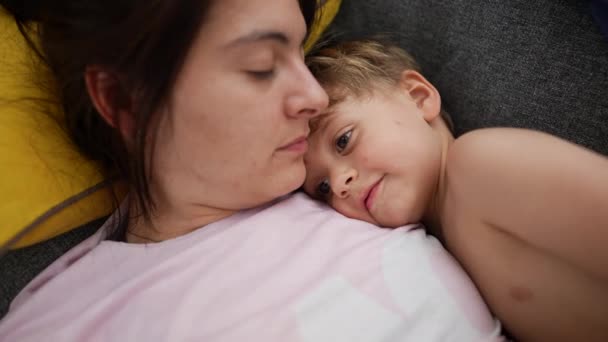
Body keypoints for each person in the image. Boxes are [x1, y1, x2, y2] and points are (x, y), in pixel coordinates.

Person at [0, 1, 505, 341]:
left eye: (300, 54)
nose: (313, 97)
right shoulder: (59, 324)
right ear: (124, 100)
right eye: (262, 65)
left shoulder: (382, 190)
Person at [302, 38, 608, 341]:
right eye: (323, 187)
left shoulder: (478, 164)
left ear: (418, 98)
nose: (340, 184)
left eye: (344, 140)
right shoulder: (434, 257)